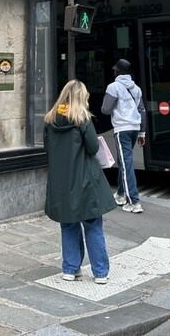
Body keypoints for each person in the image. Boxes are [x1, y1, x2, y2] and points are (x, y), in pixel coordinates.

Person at [43, 80, 116, 284]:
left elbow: (48, 149)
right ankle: (100, 273)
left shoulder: (50, 119)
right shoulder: (82, 119)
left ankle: (70, 269)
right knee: (92, 224)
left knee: (68, 224)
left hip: (61, 182)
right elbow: (93, 148)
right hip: (83, 180)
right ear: (80, 97)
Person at [102, 59, 146, 213]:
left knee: (126, 163)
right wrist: (142, 132)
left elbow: (105, 109)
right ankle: (120, 194)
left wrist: (115, 105)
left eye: (115, 70)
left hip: (122, 129)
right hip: (135, 128)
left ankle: (134, 201)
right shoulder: (137, 89)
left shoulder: (113, 87)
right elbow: (142, 110)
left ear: (118, 72)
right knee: (123, 160)